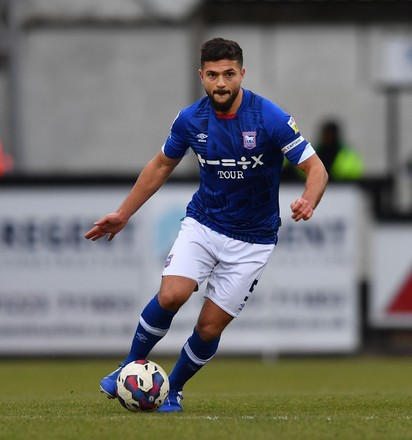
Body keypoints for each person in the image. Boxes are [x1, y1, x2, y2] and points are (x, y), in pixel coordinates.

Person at [84, 37, 328, 412]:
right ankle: (126, 368)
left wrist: (309, 199)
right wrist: (124, 212)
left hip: (254, 239)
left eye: (229, 74)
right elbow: (161, 165)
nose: (221, 84)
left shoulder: (270, 118)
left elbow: (316, 169)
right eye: (212, 75)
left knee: (210, 327)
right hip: (204, 224)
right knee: (172, 295)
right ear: (201, 76)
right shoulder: (190, 119)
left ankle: (174, 389)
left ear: (242, 74)